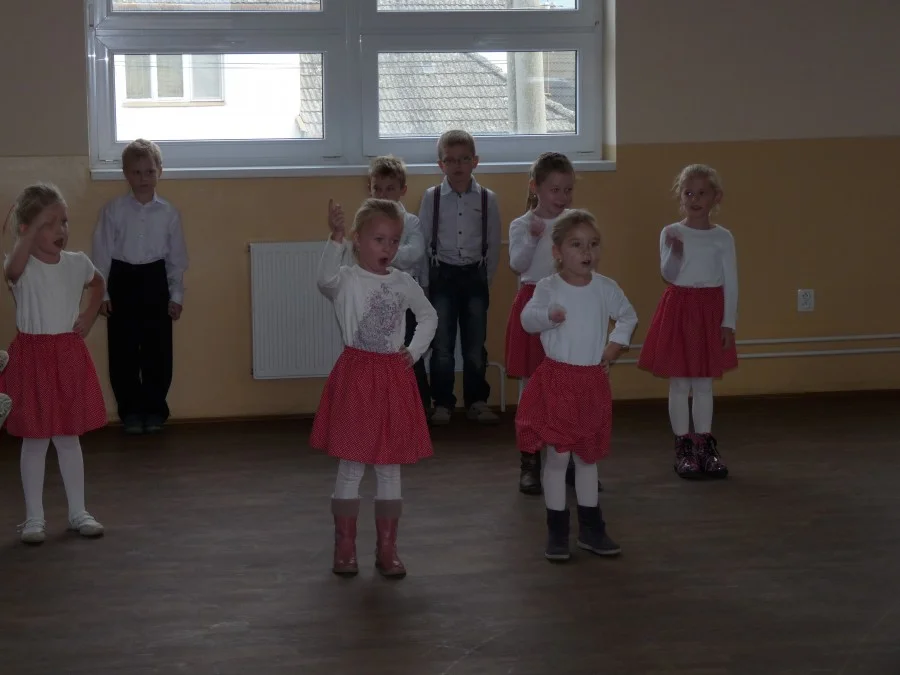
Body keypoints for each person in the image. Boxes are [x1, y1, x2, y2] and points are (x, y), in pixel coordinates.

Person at [311, 197, 437, 579]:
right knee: (351, 465)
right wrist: (334, 238)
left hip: (392, 380)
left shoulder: (403, 282)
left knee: (389, 466)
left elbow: (428, 316)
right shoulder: (346, 279)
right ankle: (344, 548)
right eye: (379, 240)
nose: (388, 248)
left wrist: (413, 351)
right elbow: (323, 280)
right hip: (356, 378)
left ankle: (387, 549)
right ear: (358, 240)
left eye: (394, 240)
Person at [516, 210, 637, 562]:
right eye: (577, 244)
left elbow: (628, 316)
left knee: (587, 458)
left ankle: (591, 528)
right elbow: (527, 321)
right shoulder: (548, 287)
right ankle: (557, 530)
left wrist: (614, 346)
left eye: (593, 244)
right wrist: (547, 317)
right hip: (557, 382)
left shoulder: (605, 287)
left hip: (592, 384)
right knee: (558, 458)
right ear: (557, 252)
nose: (587, 252)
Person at [0, 183, 108, 545]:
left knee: (67, 437)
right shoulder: (23, 267)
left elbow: (99, 283)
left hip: (67, 358)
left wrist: (90, 314)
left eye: (64, 221)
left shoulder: (77, 263)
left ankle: (79, 512)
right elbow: (10, 271)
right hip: (31, 361)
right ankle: (34, 518)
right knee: (34, 440)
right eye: (49, 223)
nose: (61, 230)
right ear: (28, 230)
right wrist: (26, 235)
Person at [638, 164, 737, 480]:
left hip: (709, 311)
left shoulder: (723, 237)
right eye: (688, 193)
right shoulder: (671, 232)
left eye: (702, 193)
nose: (695, 199)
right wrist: (677, 252)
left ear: (716, 197)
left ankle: (705, 445)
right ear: (680, 196)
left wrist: (728, 323)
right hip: (680, 308)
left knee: (704, 381)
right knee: (680, 381)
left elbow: (731, 281)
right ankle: (684, 447)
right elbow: (668, 274)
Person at [92, 138, 189, 435]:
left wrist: (176, 295)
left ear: (160, 171)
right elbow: (101, 254)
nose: (143, 178)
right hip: (122, 278)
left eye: (149, 171)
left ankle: (155, 410)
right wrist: (103, 293)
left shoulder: (169, 213)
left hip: (155, 280)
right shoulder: (113, 210)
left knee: (157, 349)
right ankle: (131, 411)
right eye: (136, 172)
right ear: (125, 174)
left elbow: (177, 259)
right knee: (123, 350)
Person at [418, 129, 502, 425]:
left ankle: (477, 401)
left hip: (474, 277)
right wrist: (425, 283)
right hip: (442, 276)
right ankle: (442, 403)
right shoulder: (432, 197)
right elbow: (423, 240)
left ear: (475, 161)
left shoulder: (487, 199)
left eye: (464, 159)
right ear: (441, 164)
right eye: (450, 160)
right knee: (441, 345)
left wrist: (485, 280)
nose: (458, 166)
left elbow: (493, 242)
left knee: (474, 345)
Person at [336, 155, 430, 413]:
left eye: (390, 189)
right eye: (378, 188)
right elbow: (354, 258)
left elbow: (415, 253)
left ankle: (417, 409)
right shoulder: (366, 221)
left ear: (403, 190)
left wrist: (384, 251)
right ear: (370, 189)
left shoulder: (410, 222)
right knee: (373, 354)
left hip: (403, 299)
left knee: (406, 355)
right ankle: (374, 409)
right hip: (373, 296)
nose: (383, 194)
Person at [507, 151, 576, 495]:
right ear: (535, 187)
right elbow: (518, 265)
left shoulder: (574, 221)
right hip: (533, 305)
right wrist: (534, 237)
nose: (562, 197)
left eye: (568, 190)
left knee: (567, 385)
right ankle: (530, 460)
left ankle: (567, 458)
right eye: (555, 190)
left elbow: (585, 260)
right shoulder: (522, 224)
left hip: (566, 304)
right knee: (532, 388)